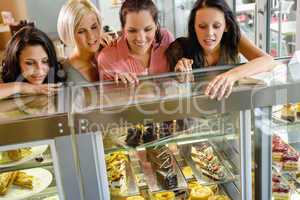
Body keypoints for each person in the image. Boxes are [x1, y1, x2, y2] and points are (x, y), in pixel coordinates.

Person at [166, 0, 277, 100]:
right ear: (193, 27)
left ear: (226, 26)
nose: (209, 33)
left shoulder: (233, 39)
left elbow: (269, 61)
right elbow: (172, 95)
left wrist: (231, 75)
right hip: (195, 116)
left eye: (216, 26)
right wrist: (179, 74)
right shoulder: (179, 48)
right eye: (202, 26)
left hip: (230, 110)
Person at [98, 0, 174, 84]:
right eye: (132, 31)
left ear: (156, 26)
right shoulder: (107, 58)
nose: (140, 38)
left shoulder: (166, 39)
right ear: (123, 29)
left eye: (148, 29)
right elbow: (108, 96)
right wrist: (119, 87)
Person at [57, 0, 115, 83]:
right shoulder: (64, 72)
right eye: (81, 31)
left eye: (94, 27)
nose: (91, 36)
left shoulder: (107, 57)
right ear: (69, 33)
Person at [0, 26, 64, 99]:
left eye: (45, 61)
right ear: (16, 62)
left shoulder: (61, 67)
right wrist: (23, 87)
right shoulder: (3, 75)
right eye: (30, 63)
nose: (39, 71)